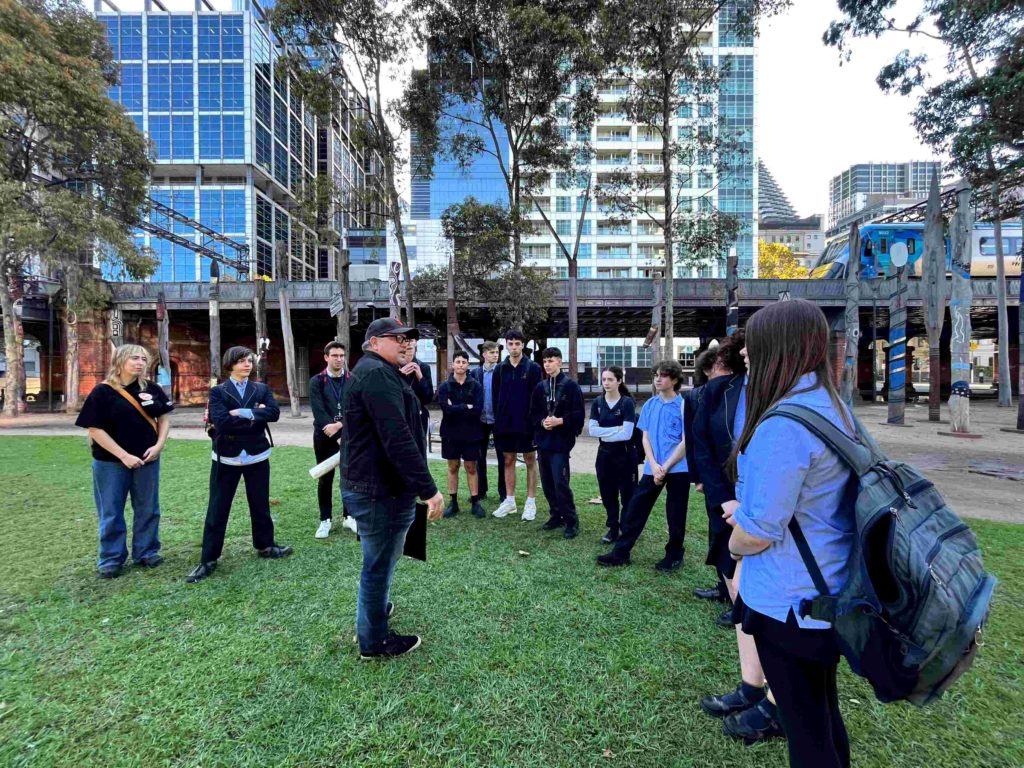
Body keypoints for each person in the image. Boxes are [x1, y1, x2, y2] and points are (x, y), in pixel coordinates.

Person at [726, 299, 856, 767]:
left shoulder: (785, 424)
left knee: (806, 732)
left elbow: (760, 531)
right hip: (824, 592)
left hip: (790, 603)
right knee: (821, 717)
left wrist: (733, 540)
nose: (744, 355)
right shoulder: (833, 407)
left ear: (779, 350)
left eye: (752, 346)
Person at [694, 333, 784, 745]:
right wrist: (723, 500)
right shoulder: (720, 391)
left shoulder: (787, 390)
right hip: (729, 508)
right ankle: (751, 685)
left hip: (771, 516)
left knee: (766, 603)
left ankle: (776, 698)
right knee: (740, 593)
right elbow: (704, 448)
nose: (745, 353)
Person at [341, 317, 444, 659]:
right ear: (373, 342)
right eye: (396, 338)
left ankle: (376, 612)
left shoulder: (384, 374)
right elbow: (397, 439)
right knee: (378, 565)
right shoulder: (375, 375)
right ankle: (374, 641)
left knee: (382, 561)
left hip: (383, 487)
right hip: (378, 491)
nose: (405, 343)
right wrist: (429, 490)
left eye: (409, 339)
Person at [186, 346, 292, 584]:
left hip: (256, 454)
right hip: (227, 456)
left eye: (249, 361)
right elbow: (222, 423)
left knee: (260, 504)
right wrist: (256, 414)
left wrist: (243, 412)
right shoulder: (218, 392)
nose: (248, 365)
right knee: (218, 508)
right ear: (230, 364)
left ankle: (266, 545)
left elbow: (274, 414)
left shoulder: (261, 388)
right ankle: (208, 559)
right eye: (242, 361)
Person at [75, 344, 173, 578]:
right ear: (120, 361)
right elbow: (95, 429)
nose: (140, 363)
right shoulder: (103, 392)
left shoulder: (152, 388)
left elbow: (165, 418)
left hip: (147, 459)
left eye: (143, 359)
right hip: (110, 462)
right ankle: (111, 558)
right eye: (134, 358)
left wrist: (159, 446)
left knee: (148, 508)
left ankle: (146, 551)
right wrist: (124, 455)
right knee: (111, 510)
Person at [596, 359, 689, 571]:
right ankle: (621, 553)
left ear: (674, 379)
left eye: (663, 375)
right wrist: (654, 465)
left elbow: (686, 441)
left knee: (675, 515)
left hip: (678, 468)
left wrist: (666, 466)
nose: (658, 379)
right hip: (652, 468)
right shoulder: (649, 404)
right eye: (656, 374)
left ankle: (674, 556)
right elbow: (644, 438)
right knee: (635, 510)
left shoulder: (684, 406)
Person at [692, 336, 746, 611]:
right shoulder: (714, 391)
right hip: (721, 485)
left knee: (743, 547)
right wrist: (710, 484)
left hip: (749, 490)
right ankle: (726, 591)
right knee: (721, 537)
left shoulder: (773, 391)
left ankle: (741, 603)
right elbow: (699, 441)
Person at [530, 347, 585, 539]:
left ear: (559, 362)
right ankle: (556, 515)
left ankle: (571, 519)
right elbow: (533, 413)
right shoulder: (540, 387)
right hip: (544, 443)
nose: (547, 364)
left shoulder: (571, 386)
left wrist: (560, 421)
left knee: (560, 481)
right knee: (546, 482)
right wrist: (542, 422)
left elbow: (579, 415)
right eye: (545, 361)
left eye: (551, 360)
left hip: (561, 443)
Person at [491, 330, 542, 521]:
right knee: (508, 461)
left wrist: (534, 422)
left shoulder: (533, 368)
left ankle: (531, 502)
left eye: (517, 344)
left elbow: (538, 398)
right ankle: (510, 501)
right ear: (506, 345)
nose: (514, 347)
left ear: (522, 345)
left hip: (526, 424)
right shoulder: (499, 369)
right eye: (510, 344)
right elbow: (496, 397)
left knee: (530, 460)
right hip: (505, 424)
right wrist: (498, 420)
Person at [309, 341, 356, 539]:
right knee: (325, 477)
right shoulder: (317, 381)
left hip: (349, 434)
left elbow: (357, 408)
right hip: (324, 434)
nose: (339, 359)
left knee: (350, 477)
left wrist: (341, 426)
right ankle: (325, 520)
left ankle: (349, 516)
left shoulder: (352, 379)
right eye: (334, 355)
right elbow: (318, 411)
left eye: (341, 355)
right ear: (326, 357)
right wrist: (334, 431)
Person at [587, 366, 638, 544]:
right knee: (608, 494)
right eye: (604, 380)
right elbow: (592, 431)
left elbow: (627, 434)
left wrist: (606, 432)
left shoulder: (627, 403)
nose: (606, 383)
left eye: (610, 379)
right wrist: (616, 428)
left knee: (627, 494)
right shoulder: (598, 403)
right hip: (604, 455)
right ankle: (613, 528)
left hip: (625, 456)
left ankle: (627, 527)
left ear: (619, 381)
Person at [438, 350, 486, 518]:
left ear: (467, 365)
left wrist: (456, 407)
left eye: (463, 362)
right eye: (457, 362)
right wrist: (466, 406)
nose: (460, 365)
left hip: (471, 433)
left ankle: (475, 502)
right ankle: (454, 502)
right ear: (453, 365)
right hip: (450, 433)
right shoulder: (445, 386)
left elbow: (478, 409)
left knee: (471, 467)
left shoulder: (476, 385)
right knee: (453, 466)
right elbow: (445, 409)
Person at [470, 341, 506, 501]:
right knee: (479, 457)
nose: (495, 355)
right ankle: (480, 491)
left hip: (498, 420)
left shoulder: (503, 372)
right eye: (492, 352)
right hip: (480, 420)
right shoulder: (475, 374)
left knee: (502, 457)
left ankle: (504, 493)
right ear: (484, 354)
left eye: (497, 352)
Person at [400, 335, 433, 446]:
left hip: (419, 414)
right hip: (400, 414)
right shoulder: (394, 365)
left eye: (411, 340)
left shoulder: (424, 367)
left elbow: (428, 397)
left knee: (419, 448)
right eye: (406, 340)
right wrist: (400, 375)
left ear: (416, 343)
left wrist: (420, 377)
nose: (409, 343)